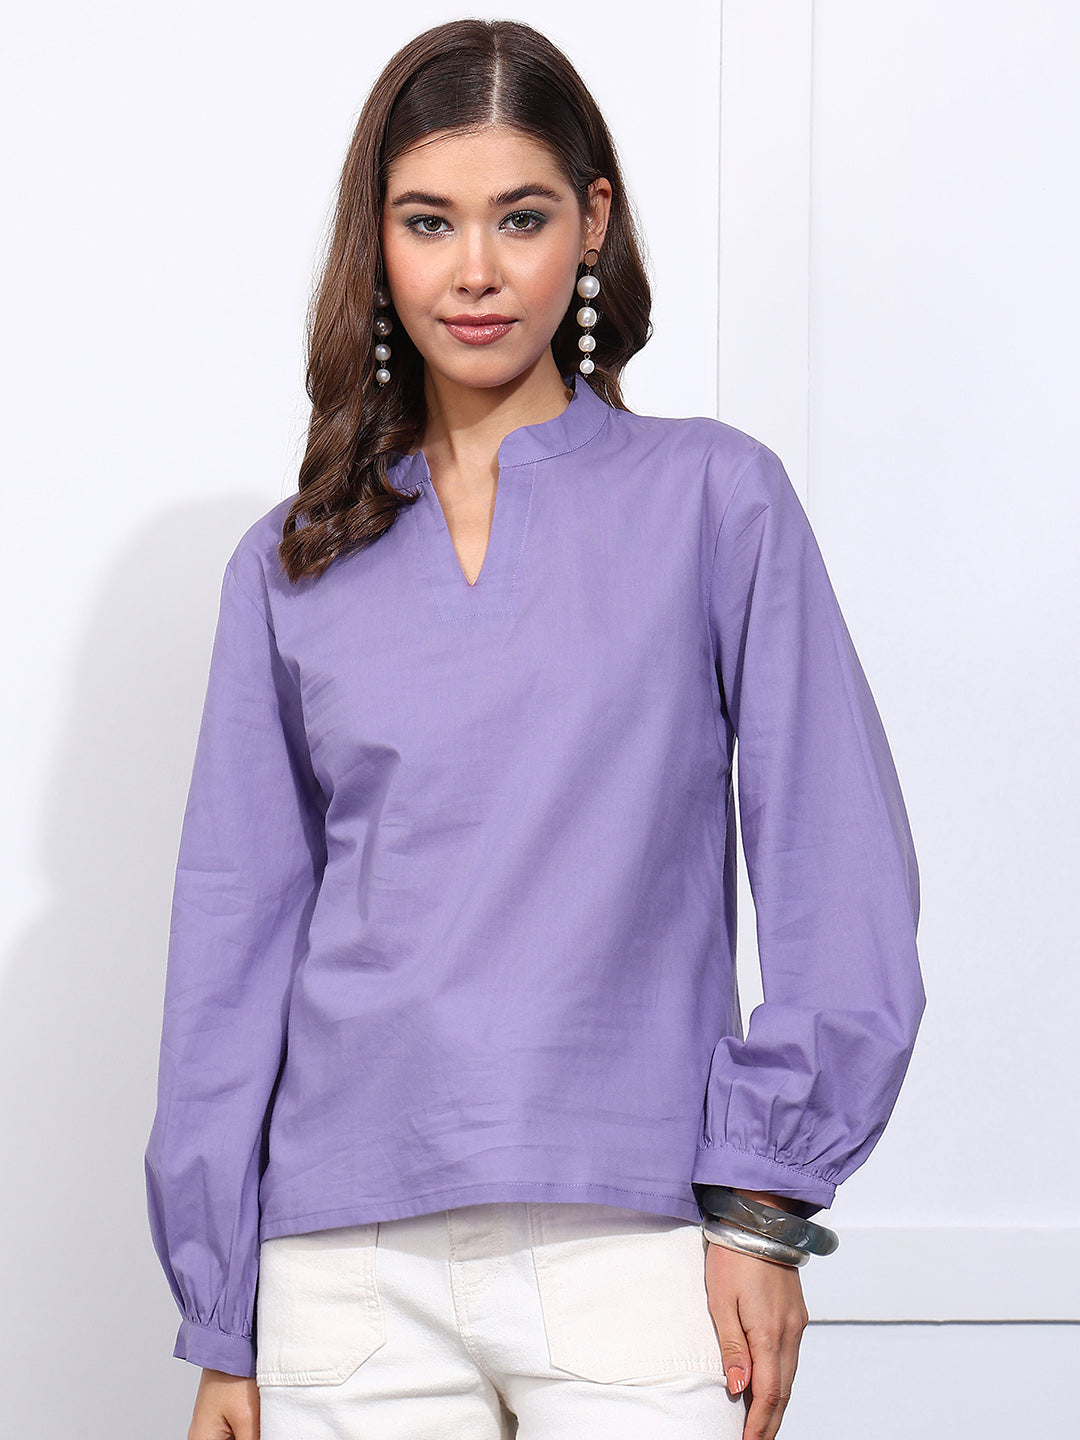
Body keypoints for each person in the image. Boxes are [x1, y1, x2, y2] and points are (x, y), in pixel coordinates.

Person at [143, 17, 926, 1440]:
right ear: (376, 240)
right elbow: (233, 942)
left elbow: (837, 867)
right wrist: (221, 1318)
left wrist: (763, 1205)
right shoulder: (294, 560)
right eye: (427, 222)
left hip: (630, 1243)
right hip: (344, 1271)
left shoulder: (715, 500)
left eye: (521, 217)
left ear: (593, 221)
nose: (475, 270)